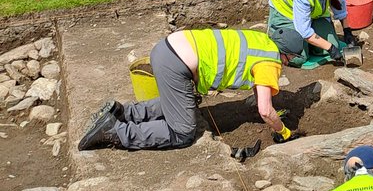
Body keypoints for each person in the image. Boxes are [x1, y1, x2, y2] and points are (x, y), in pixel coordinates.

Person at [77, 27, 290, 152]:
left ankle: (122, 113)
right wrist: (283, 130)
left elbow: (254, 83)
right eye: (289, 60)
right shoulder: (270, 61)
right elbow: (264, 110)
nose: (286, 65)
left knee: (182, 102)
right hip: (175, 64)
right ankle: (115, 132)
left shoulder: (261, 40)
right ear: (286, 55)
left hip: (167, 47)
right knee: (183, 132)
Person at [267, 0, 356, 67]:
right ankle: (275, 34)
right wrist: (330, 48)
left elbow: (340, 8)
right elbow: (304, 31)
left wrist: (347, 31)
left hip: (313, 13)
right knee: (299, 57)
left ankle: (310, 44)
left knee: (330, 45)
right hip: (286, 13)